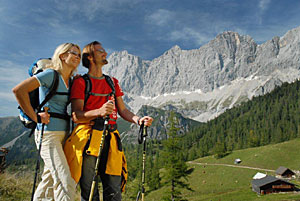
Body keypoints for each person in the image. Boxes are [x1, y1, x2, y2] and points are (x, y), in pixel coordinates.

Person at [63, 41, 153, 201]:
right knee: (90, 192)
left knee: (114, 189)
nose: (105, 53)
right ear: (90, 57)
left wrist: (139, 120)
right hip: (88, 140)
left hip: (111, 138)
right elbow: (76, 115)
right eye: (100, 51)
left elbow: (123, 110)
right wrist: (99, 112)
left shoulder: (112, 82)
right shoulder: (80, 82)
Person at [12, 43, 81, 201]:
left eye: (79, 55)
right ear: (62, 55)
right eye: (74, 53)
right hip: (47, 135)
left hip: (63, 135)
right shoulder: (51, 74)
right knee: (64, 180)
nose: (78, 57)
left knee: (49, 180)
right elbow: (19, 90)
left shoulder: (70, 80)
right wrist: (35, 117)